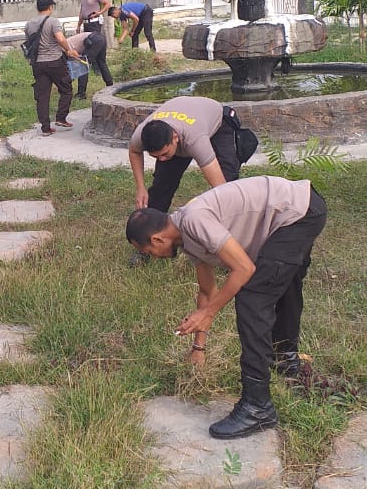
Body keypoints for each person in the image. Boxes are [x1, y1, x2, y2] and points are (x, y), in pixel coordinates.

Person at [126, 175, 327, 440]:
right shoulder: (186, 237)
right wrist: (199, 347)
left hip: (297, 212)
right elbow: (207, 291)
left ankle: (257, 407)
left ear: (157, 240)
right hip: (301, 207)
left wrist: (209, 313)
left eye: (148, 252)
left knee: (252, 298)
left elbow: (244, 268)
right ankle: (285, 359)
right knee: (283, 282)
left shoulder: (195, 220)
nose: (152, 257)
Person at [129, 97, 245, 212]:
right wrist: (140, 187)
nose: (161, 159)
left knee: (227, 177)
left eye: (164, 153)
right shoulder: (141, 134)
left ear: (175, 138)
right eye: (156, 156)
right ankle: (153, 223)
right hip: (183, 112)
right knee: (162, 184)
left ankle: (230, 216)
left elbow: (220, 187)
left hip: (217, 121)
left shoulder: (195, 140)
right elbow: (134, 151)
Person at [24, 0, 80, 135]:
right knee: (66, 89)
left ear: (38, 8)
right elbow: (60, 38)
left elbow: (29, 45)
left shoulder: (29, 24)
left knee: (42, 96)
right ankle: (61, 117)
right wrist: (69, 50)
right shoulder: (53, 21)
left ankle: (45, 128)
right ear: (50, 7)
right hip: (54, 61)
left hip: (38, 64)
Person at [66, 28, 114, 99]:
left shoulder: (65, 46)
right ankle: (110, 85)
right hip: (100, 38)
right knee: (102, 63)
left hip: (94, 40)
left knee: (83, 66)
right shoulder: (68, 42)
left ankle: (81, 94)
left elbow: (74, 57)